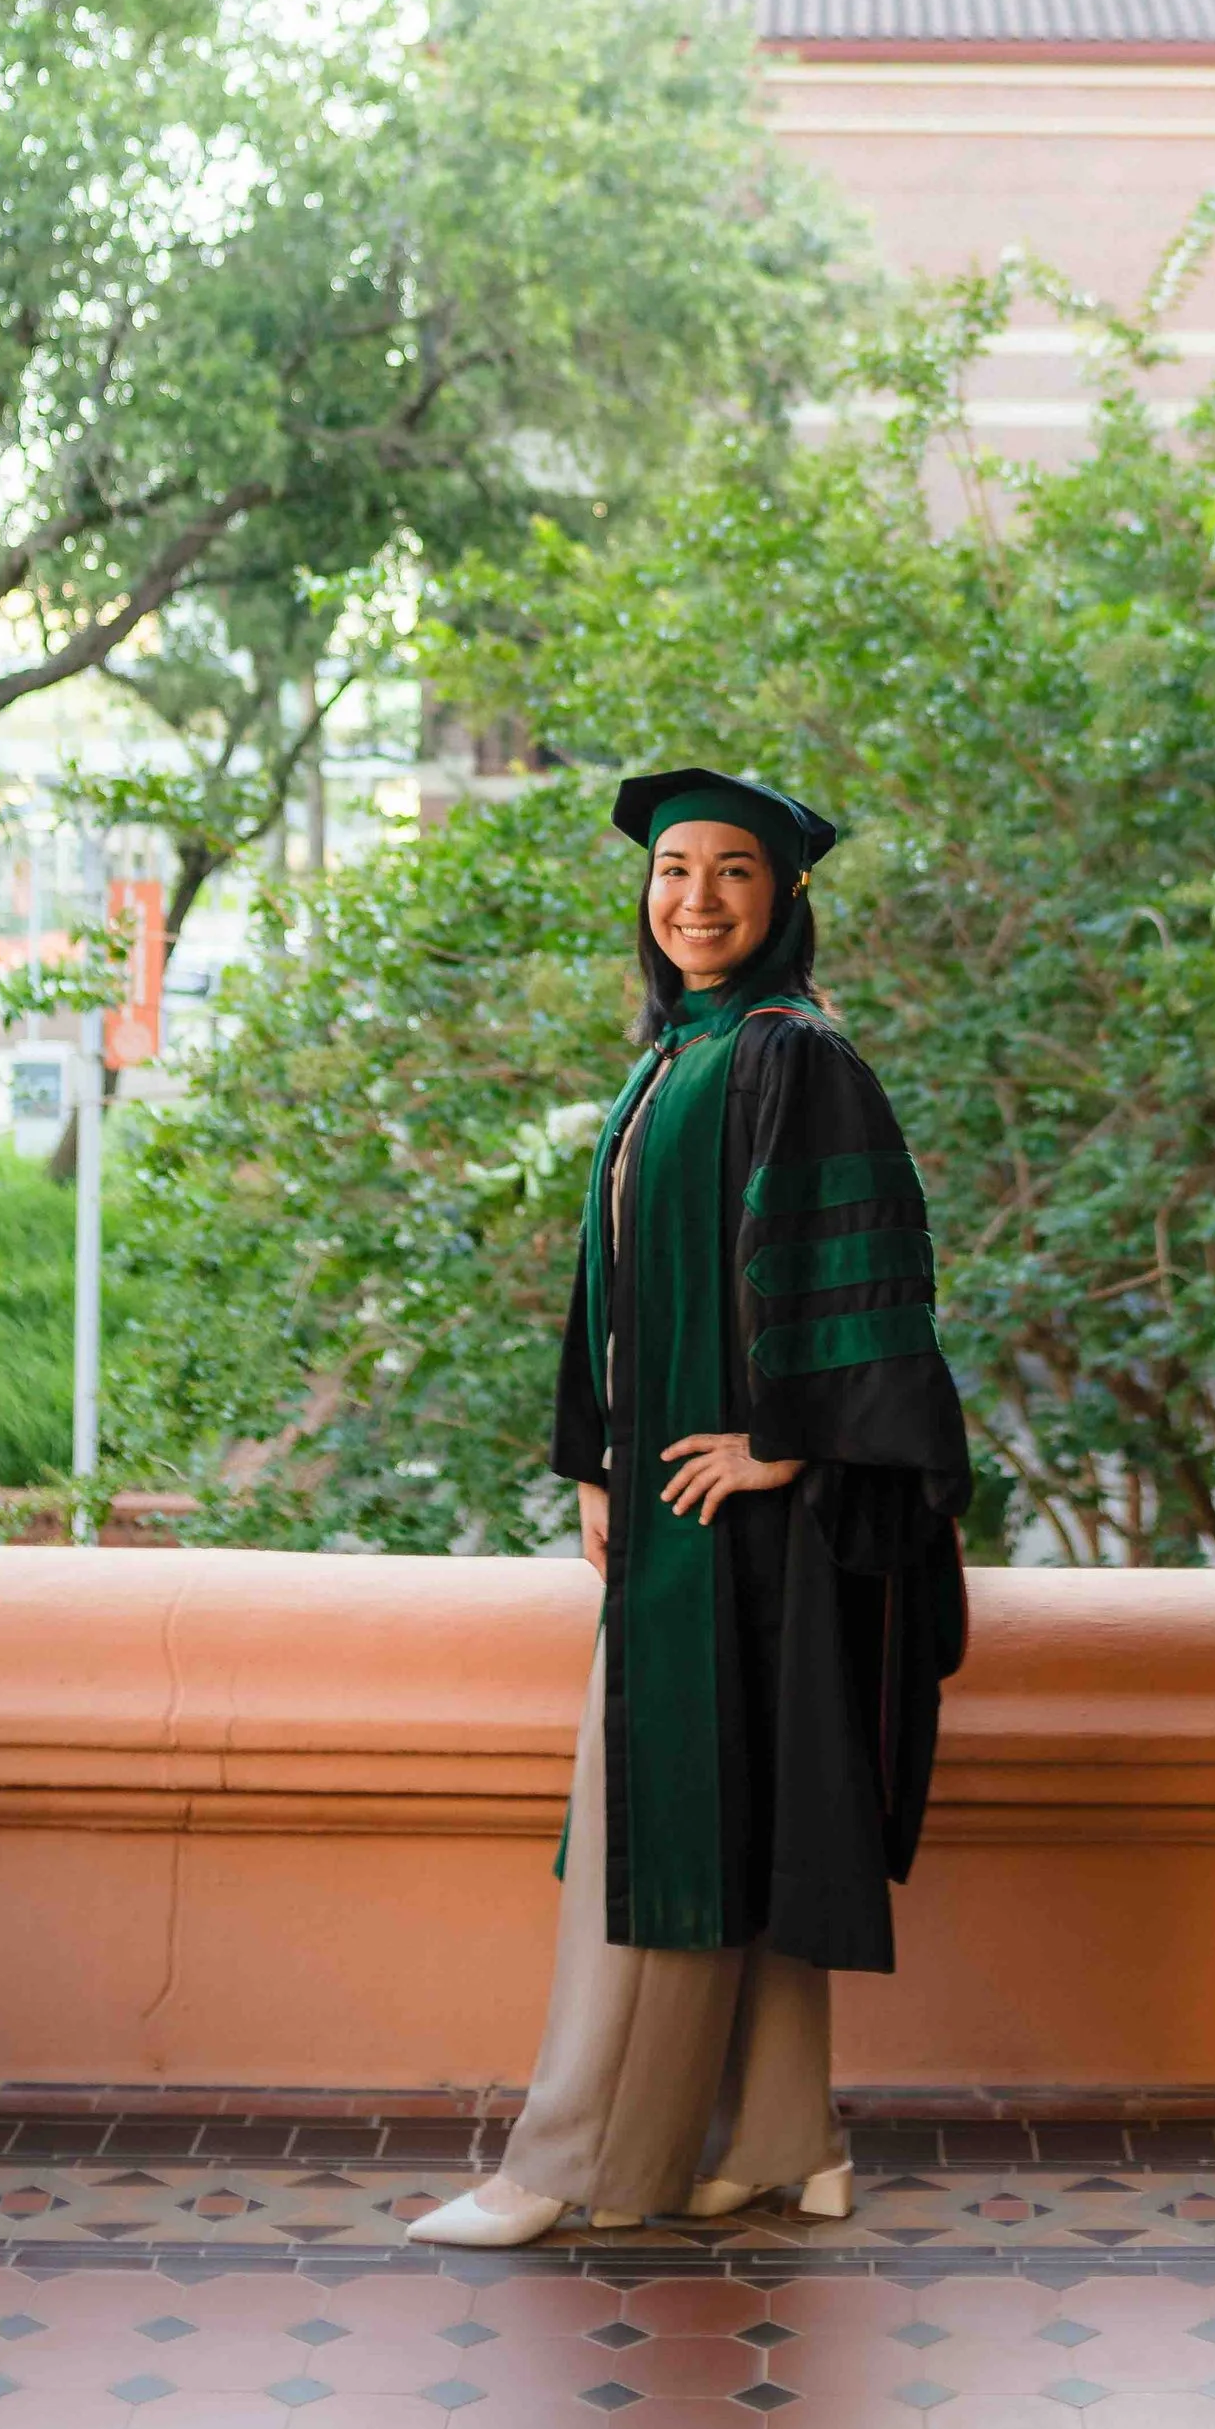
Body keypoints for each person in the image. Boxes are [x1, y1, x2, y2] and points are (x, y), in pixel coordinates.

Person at [411, 767, 971, 2248]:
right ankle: (789, 2141)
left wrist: (785, 1441)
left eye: (734, 869)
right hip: (669, 1516)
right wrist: (599, 1458)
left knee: (653, 1829)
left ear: (785, 896)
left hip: (748, 1527)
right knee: (740, 1815)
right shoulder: (678, 1056)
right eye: (672, 868)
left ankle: (579, 2161)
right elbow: (619, 1286)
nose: (697, 897)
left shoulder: (794, 1055)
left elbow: (873, 1284)